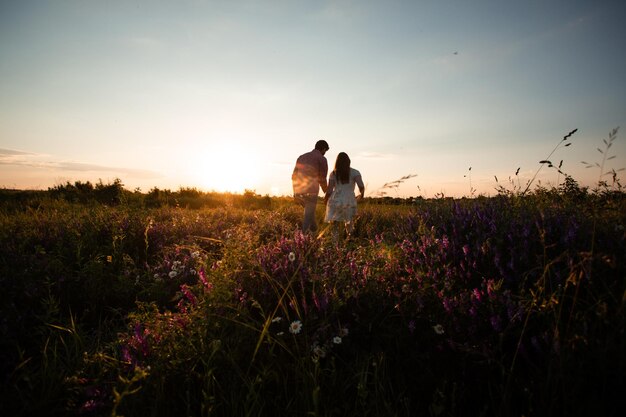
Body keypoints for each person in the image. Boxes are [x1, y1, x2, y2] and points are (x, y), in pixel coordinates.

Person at [324, 152, 365, 239]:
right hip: (349, 199)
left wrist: (326, 199)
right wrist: (361, 196)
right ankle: (349, 240)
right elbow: (361, 187)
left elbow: (329, 190)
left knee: (335, 223)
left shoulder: (333, 173)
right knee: (349, 222)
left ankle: (335, 244)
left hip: (336, 198)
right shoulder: (355, 172)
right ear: (348, 161)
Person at [292, 140, 330, 233]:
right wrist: (327, 193)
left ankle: (315, 234)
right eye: (325, 151)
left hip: (299, 192)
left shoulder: (301, 157)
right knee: (308, 218)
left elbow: (294, 176)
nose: (325, 153)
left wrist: (295, 192)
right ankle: (302, 239)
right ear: (323, 149)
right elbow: (322, 179)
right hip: (311, 191)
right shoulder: (321, 159)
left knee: (310, 214)